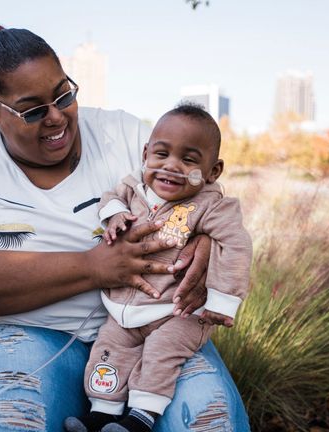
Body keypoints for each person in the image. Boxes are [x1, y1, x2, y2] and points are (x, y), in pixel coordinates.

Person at [0, 24, 251, 431]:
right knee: (8, 421)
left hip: (154, 329)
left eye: (64, 95)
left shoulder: (123, 134)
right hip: (23, 335)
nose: (57, 117)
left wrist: (203, 241)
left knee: (209, 420)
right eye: (34, 109)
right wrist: (95, 267)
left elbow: (198, 184)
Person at [64, 104, 252, 432]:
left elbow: (236, 246)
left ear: (213, 170)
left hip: (178, 312)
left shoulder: (212, 206)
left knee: (160, 354)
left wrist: (223, 301)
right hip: (124, 309)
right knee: (108, 350)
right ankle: (102, 413)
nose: (171, 167)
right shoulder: (135, 186)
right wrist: (114, 215)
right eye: (161, 154)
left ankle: (141, 417)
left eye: (189, 160)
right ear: (145, 153)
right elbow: (111, 197)